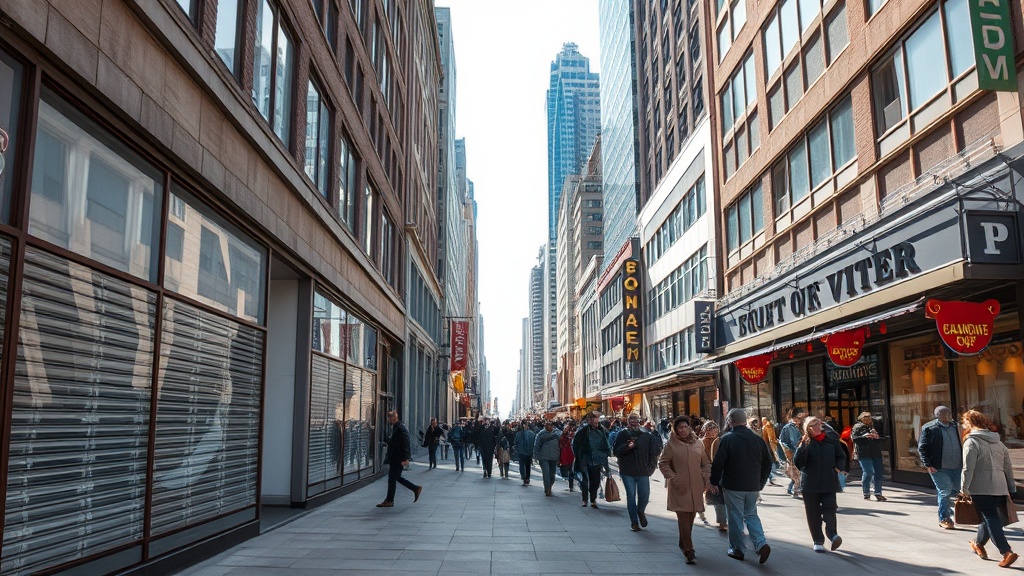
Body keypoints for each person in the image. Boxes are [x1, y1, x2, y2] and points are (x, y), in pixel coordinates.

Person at [709, 408, 773, 564]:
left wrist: (714, 481)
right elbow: (768, 463)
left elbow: (718, 463)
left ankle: (737, 549)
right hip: (753, 485)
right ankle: (760, 543)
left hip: (733, 485)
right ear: (745, 421)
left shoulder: (727, 439)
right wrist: (761, 482)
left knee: (735, 516)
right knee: (751, 514)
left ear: (730, 421)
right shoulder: (758, 439)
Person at [962, 409, 1018, 567]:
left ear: (969, 423)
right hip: (999, 486)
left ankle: (1006, 552)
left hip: (980, 487)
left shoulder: (971, 442)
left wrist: (964, 489)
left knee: (991, 518)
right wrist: (1011, 487)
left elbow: (968, 468)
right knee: (989, 517)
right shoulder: (998, 441)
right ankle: (978, 544)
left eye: (964, 422)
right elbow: (1008, 467)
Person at [659, 416, 711, 564]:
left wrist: (706, 477)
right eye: (680, 427)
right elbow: (663, 463)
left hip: (695, 487)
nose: (683, 430)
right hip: (679, 487)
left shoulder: (697, 444)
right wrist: (672, 477)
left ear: (690, 428)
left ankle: (683, 543)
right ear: (675, 429)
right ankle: (689, 550)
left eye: (685, 427)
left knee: (690, 518)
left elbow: (705, 463)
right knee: (683, 518)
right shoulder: (671, 444)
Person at [794, 417, 846, 552]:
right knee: (813, 513)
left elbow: (841, 456)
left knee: (830, 508)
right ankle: (818, 540)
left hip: (829, 482)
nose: (817, 427)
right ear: (807, 429)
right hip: (810, 484)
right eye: (813, 425)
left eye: (818, 424)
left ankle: (833, 535)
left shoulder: (831, 440)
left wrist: (838, 467)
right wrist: (802, 446)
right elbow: (799, 463)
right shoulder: (805, 443)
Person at [613, 413, 663, 531]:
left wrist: (650, 467)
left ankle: (640, 511)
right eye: (631, 420)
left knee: (644, 495)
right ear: (628, 421)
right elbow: (616, 451)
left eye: (636, 420)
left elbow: (654, 452)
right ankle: (634, 522)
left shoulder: (646, 435)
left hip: (643, 471)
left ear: (640, 421)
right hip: (627, 471)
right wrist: (627, 446)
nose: (634, 422)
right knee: (631, 496)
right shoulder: (622, 434)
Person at [919, 405, 963, 529]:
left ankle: (956, 514)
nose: (946, 415)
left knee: (957, 490)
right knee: (945, 491)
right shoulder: (929, 428)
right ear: (937, 415)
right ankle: (944, 518)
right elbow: (922, 448)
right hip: (939, 467)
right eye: (943, 413)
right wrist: (928, 464)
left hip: (958, 466)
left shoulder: (956, 426)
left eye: (948, 413)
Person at [377, 411, 422, 507]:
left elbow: (406, 442)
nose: (388, 420)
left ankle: (414, 489)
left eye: (389, 418)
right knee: (394, 477)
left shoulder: (400, 428)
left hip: (398, 457)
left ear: (394, 418)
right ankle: (413, 489)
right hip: (395, 457)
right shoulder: (396, 427)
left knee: (393, 478)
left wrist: (406, 458)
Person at [573, 411, 611, 508]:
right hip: (585, 459)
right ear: (589, 420)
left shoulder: (601, 430)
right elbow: (575, 444)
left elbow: (605, 443)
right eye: (594, 419)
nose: (596, 421)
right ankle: (585, 499)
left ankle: (593, 499)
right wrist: (578, 455)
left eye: (597, 419)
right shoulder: (582, 431)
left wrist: (607, 452)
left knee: (596, 481)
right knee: (585, 481)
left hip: (597, 459)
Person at [851, 411, 886, 501]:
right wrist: (865, 437)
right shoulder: (857, 427)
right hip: (864, 453)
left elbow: (881, 437)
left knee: (878, 472)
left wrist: (877, 437)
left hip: (875, 452)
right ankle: (866, 492)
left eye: (869, 418)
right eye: (865, 418)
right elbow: (855, 439)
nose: (868, 420)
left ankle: (878, 492)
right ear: (861, 419)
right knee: (868, 472)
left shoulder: (875, 425)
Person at [699, 421, 726, 531]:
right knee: (718, 496)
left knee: (702, 493)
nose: (709, 432)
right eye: (708, 430)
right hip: (716, 472)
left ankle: (700, 512)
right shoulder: (720, 441)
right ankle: (722, 522)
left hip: (702, 472)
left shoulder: (699, 442)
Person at [779, 407, 806, 498]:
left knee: (798, 472)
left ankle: (793, 488)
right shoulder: (788, 427)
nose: (801, 419)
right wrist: (788, 451)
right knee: (796, 472)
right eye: (800, 417)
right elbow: (782, 440)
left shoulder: (802, 426)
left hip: (801, 452)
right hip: (793, 453)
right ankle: (796, 490)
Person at [534, 420, 561, 496]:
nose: (547, 426)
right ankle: (547, 489)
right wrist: (535, 455)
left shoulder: (558, 433)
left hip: (554, 456)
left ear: (552, 426)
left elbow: (562, 444)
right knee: (546, 474)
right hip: (543, 457)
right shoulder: (541, 434)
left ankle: (550, 485)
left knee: (552, 475)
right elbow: (537, 444)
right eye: (546, 425)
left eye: (549, 425)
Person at [514, 421, 537, 486]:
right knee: (527, 465)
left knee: (522, 464)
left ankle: (523, 476)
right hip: (528, 451)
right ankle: (527, 477)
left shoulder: (518, 434)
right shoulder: (531, 433)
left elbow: (516, 442)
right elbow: (533, 443)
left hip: (521, 451)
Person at [761, 417, 781, 486]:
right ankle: (771, 477)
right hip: (769, 445)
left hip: (768, 445)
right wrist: (775, 442)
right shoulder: (768, 426)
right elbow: (770, 438)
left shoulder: (766, 426)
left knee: (772, 460)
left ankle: (771, 477)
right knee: (772, 460)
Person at [559, 421, 576, 491]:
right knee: (570, 470)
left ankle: (571, 485)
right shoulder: (568, 435)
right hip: (568, 454)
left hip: (569, 454)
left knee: (570, 470)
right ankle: (571, 485)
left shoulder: (571, 435)